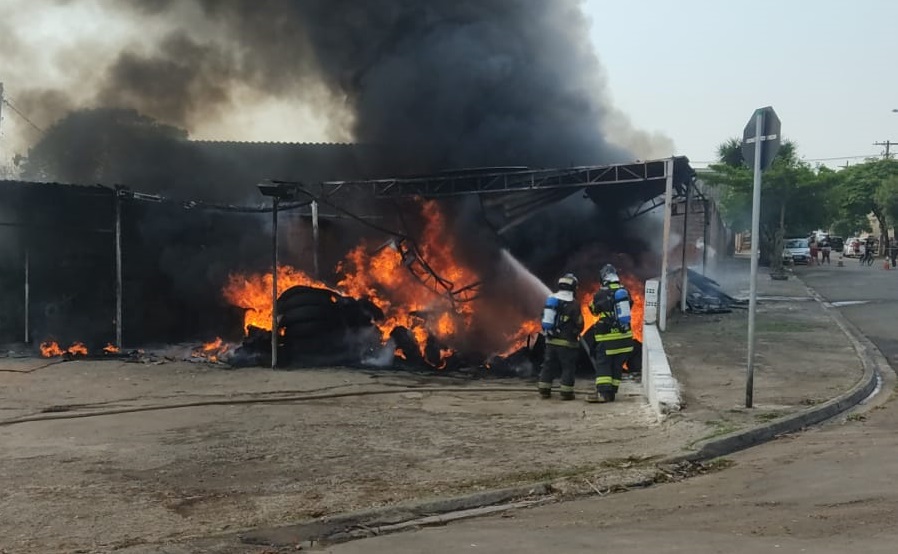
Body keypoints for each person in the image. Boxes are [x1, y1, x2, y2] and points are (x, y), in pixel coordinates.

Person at [584, 264, 635, 403]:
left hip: (607, 340)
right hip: (625, 339)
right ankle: (611, 393)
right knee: (617, 367)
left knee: (604, 365)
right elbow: (630, 305)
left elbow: (594, 310)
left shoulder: (600, 294)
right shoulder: (625, 292)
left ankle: (603, 394)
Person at [537, 273, 584, 401]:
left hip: (550, 342)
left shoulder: (552, 300)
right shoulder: (574, 304)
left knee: (548, 365)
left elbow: (543, 317)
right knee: (568, 367)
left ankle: (544, 391)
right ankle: (566, 393)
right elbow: (580, 324)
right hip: (567, 344)